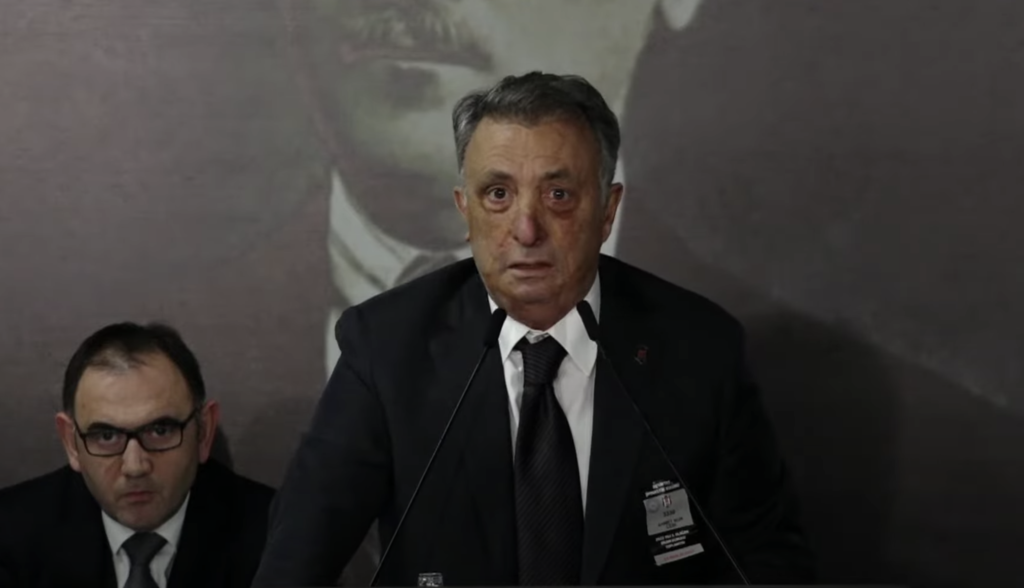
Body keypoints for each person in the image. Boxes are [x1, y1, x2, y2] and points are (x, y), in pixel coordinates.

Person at [253, 72, 813, 586]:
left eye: (558, 195)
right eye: (498, 195)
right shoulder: (387, 346)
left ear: (608, 210)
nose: (525, 229)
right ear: (465, 211)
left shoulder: (699, 348)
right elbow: (295, 561)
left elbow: (766, 562)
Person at [0, 322, 274, 588]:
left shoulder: (275, 535)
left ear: (203, 432)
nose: (135, 467)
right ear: (71, 442)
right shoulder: (10, 535)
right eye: (106, 436)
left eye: (159, 430)